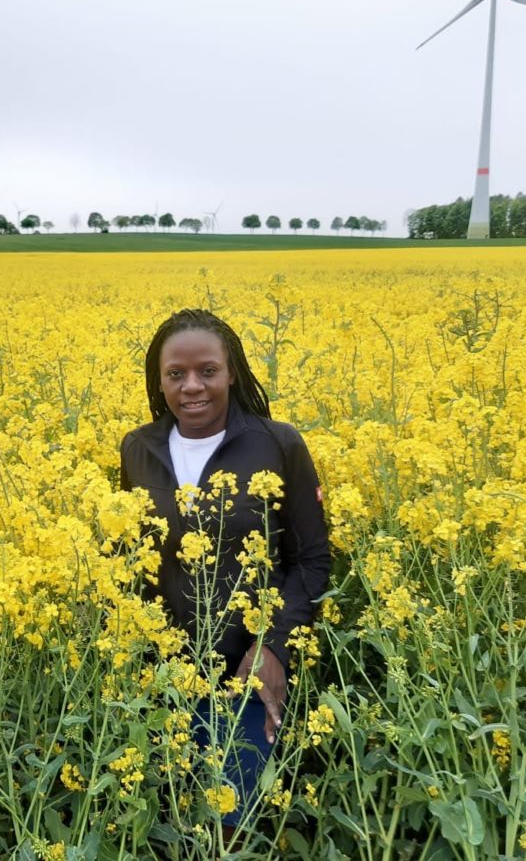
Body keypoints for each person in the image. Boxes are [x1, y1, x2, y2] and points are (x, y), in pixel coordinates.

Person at [119, 308, 332, 835]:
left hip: (246, 675)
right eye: (176, 374)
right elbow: (127, 557)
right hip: (163, 677)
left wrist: (274, 647)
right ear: (160, 380)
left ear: (231, 371)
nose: (192, 386)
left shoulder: (278, 443)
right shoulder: (137, 449)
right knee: (168, 823)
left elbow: (311, 560)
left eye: (207, 371)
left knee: (231, 827)